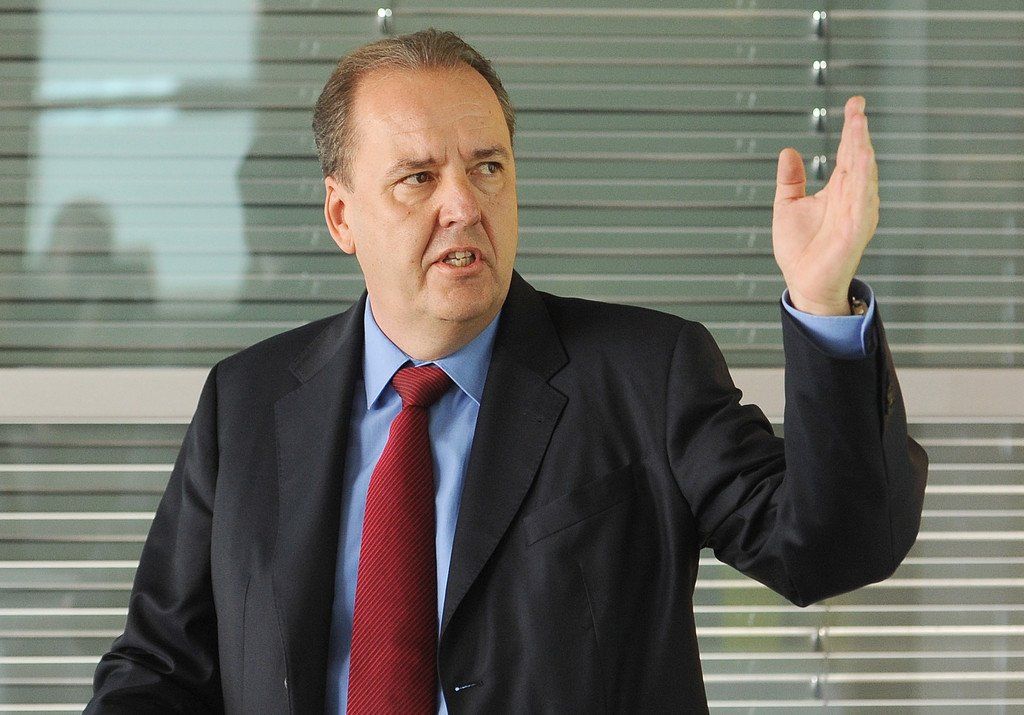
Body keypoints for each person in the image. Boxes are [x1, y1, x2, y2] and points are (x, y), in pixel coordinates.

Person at [87, 29, 927, 714]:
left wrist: (822, 303)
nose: (464, 204)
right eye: (419, 178)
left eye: (487, 167)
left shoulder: (645, 374)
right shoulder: (246, 402)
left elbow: (832, 548)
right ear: (342, 215)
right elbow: (160, 667)